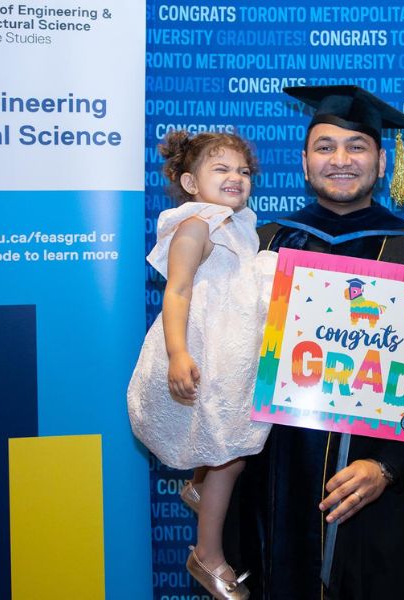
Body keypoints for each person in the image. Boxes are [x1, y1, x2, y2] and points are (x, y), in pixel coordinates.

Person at [241, 85, 404, 600]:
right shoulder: (264, 244)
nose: (341, 159)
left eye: (357, 146)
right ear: (304, 161)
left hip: (374, 487)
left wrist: (389, 467)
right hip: (274, 478)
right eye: (325, 146)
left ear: (382, 162)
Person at [127, 130, 276, 600]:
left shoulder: (239, 225)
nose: (236, 178)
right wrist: (177, 353)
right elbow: (178, 290)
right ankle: (207, 555)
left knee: (223, 442)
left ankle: (197, 487)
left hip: (231, 354)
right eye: (222, 169)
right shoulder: (195, 225)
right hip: (203, 351)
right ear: (191, 182)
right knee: (229, 455)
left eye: (243, 171)